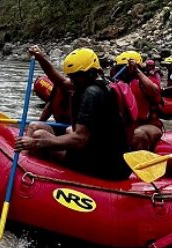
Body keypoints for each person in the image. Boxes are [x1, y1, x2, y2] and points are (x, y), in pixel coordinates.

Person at [15, 48, 131, 180]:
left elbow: (80, 139)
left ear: (90, 72)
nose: (71, 80)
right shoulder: (101, 83)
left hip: (102, 167)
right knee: (43, 131)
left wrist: (36, 142)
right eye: (71, 76)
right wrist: (41, 59)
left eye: (75, 76)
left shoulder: (91, 94)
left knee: (39, 135)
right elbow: (61, 82)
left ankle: (26, 173)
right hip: (107, 158)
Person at [113, 50, 163, 151]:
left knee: (138, 134)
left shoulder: (147, 81)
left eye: (125, 68)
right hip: (128, 126)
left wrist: (136, 71)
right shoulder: (117, 84)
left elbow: (155, 91)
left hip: (148, 125)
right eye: (119, 68)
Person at [25, 45, 73, 135]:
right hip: (60, 129)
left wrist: (41, 58)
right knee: (34, 126)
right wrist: (38, 124)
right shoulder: (58, 88)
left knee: (70, 130)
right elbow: (47, 111)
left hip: (73, 132)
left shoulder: (77, 89)